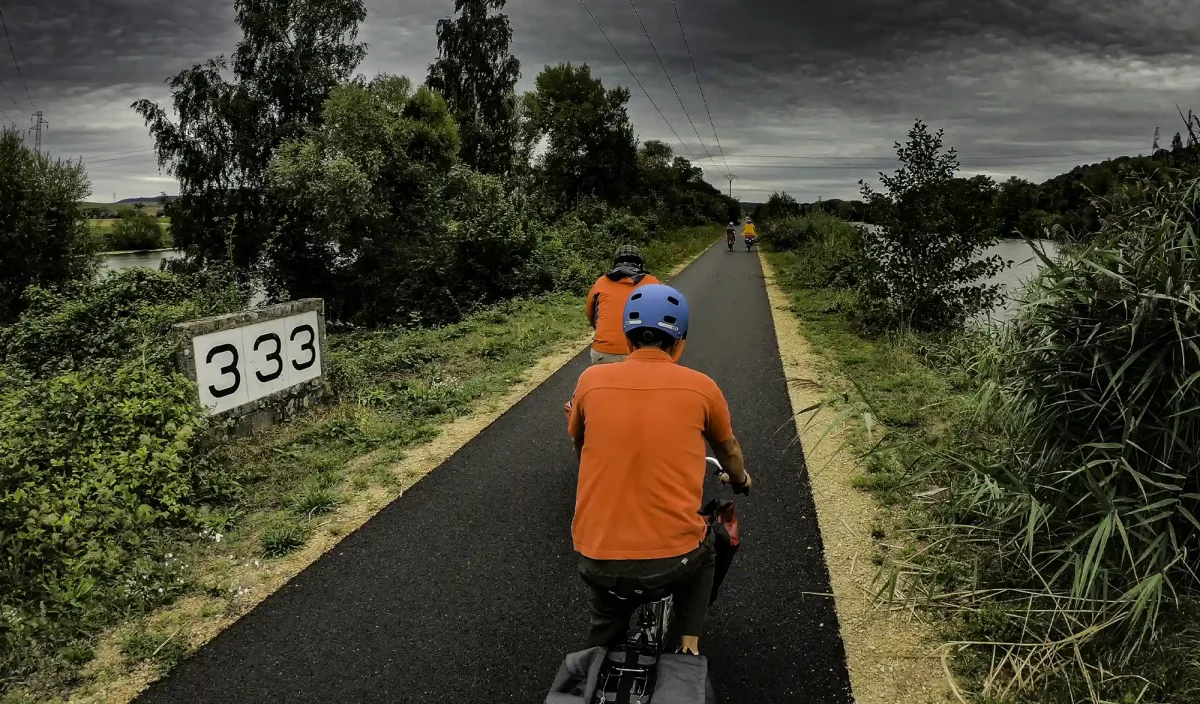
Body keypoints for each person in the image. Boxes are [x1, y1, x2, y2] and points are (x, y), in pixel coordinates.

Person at [564, 284, 753, 656]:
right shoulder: (702, 387)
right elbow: (728, 449)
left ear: (627, 338)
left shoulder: (590, 382)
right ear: (679, 341)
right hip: (673, 562)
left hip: (597, 559)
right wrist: (741, 479)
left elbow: (579, 443)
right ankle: (688, 642)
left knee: (604, 626)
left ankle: (599, 657)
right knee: (710, 550)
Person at [585, 245, 660, 365]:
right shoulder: (652, 282)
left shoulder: (601, 282)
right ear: (640, 264)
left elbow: (590, 314)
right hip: (640, 352)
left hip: (603, 352)